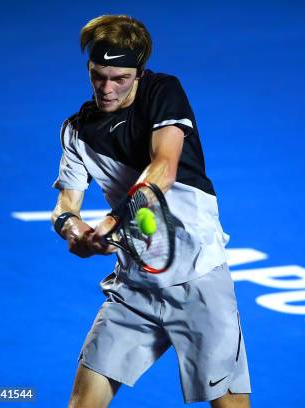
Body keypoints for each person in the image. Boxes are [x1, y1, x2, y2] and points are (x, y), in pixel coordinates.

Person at [50, 15, 251, 408]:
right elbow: (65, 206)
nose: (106, 88)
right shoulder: (76, 130)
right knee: (81, 402)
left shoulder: (163, 92)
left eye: (119, 78)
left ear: (139, 73)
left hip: (197, 279)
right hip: (134, 285)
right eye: (98, 76)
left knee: (229, 405)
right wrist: (74, 232)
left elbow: (163, 167)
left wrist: (113, 220)